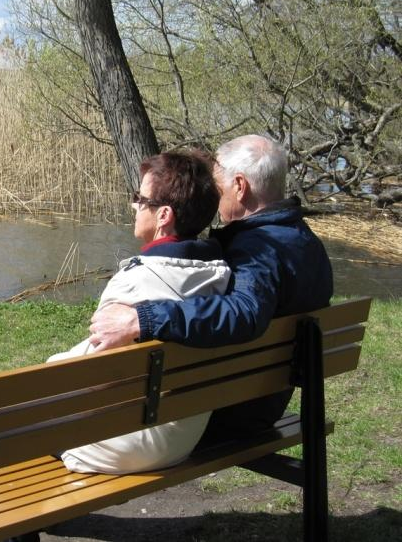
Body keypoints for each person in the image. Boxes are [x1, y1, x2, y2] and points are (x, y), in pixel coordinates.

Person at [87, 135, 333, 442]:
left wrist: (143, 318)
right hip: (266, 397)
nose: (214, 198)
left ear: (240, 186)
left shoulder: (256, 250)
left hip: (225, 412)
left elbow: (243, 313)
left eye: (217, 186)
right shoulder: (306, 241)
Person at [48, 149, 231, 474]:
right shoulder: (220, 281)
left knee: (10, 418)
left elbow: (90, 378)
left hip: (123, 444)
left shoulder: (133, 284)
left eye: (140, 198)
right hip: (182, 437)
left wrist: (53, 367)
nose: (134, 205)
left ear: (163, 216)